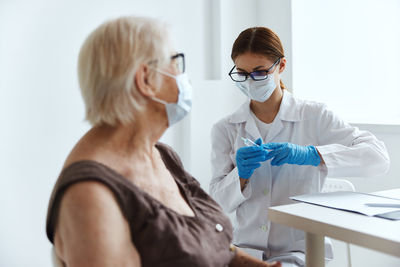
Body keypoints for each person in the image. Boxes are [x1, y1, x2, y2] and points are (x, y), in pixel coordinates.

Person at [46, 17, 282, 267]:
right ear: (146, 79)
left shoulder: (163, 156)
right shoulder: (90, 195)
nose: (184, 78)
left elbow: (210, 246)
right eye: (176, 63)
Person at [209, 26, 390, 267]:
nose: (250, 81)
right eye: (242, 73)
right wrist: (239, 177)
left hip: (300, 252)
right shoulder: (226, 128)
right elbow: (215, 206)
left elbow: (378, 159)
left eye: (260, 72)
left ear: (281, 66)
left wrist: (313, 155)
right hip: (244, 252)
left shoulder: (314, 116)